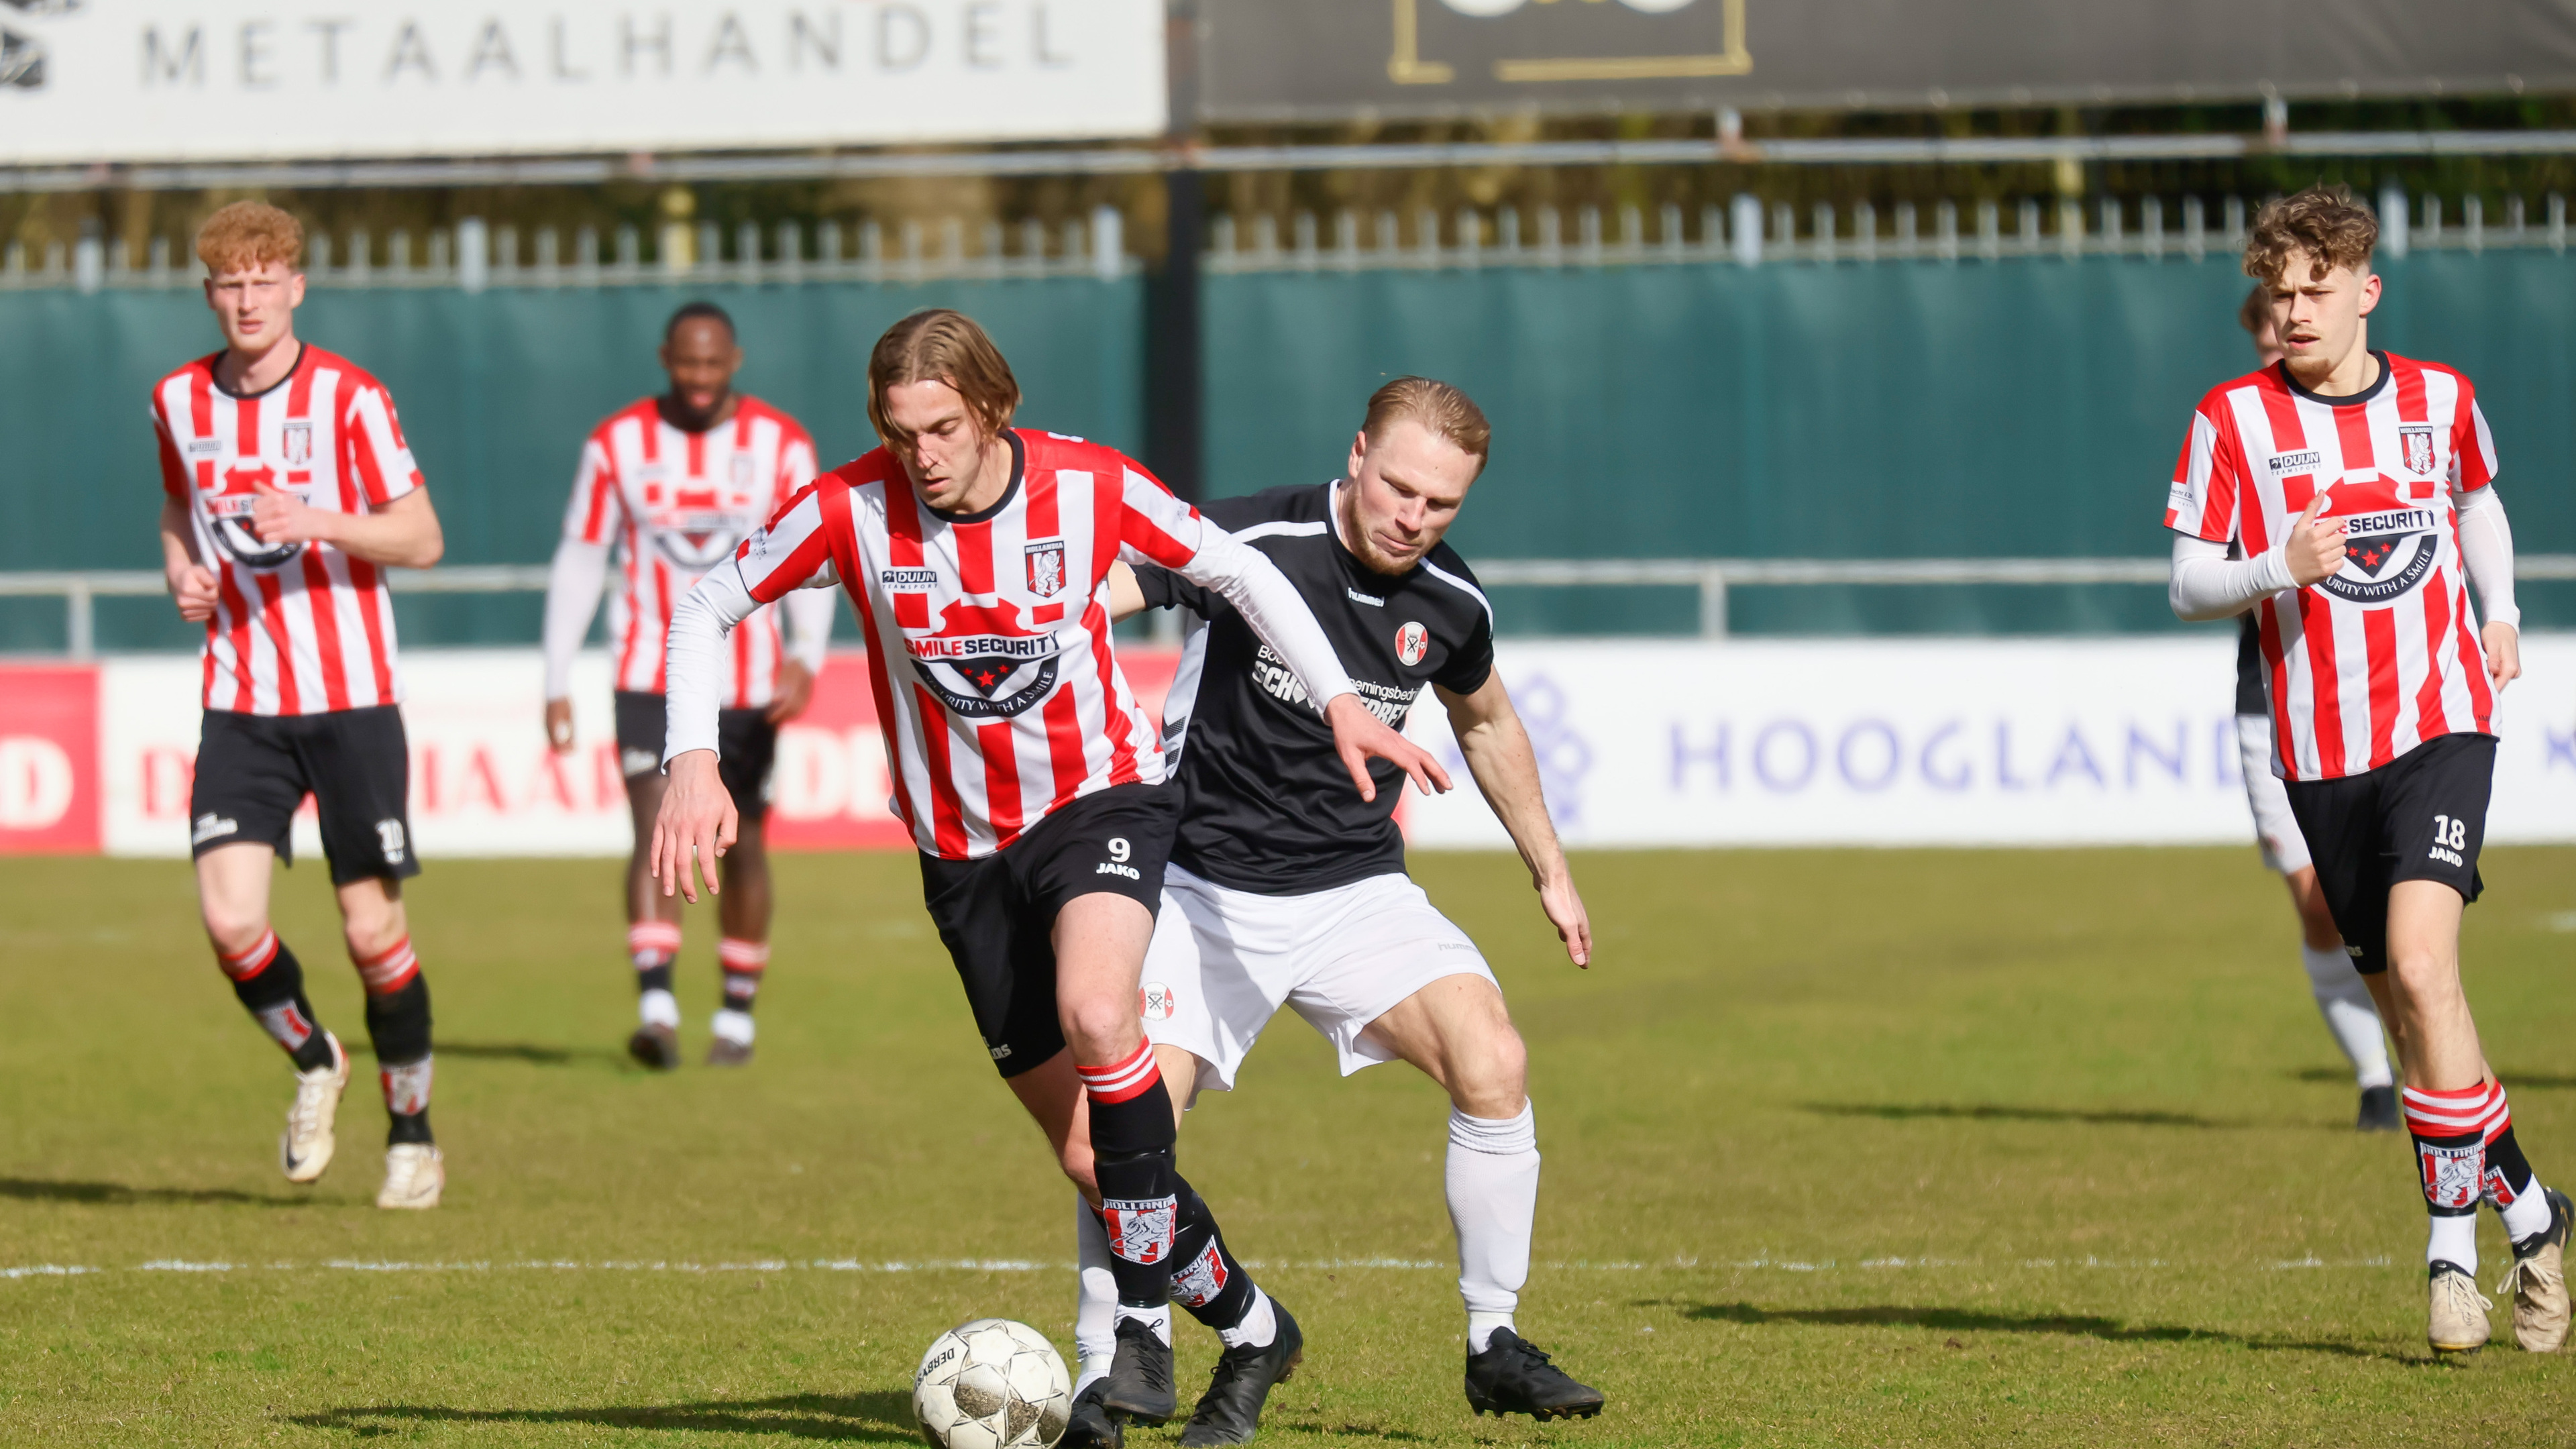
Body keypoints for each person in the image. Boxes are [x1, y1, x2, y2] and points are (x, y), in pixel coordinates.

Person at [651, 309, 1448, 1426]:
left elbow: (1238, 574)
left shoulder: (1091, 485)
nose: (919, 453)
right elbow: (704, 604)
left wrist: (1343, 701)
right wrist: (694, 761)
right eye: (898, 429)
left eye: (940, 426)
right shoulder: (850, 509)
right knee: (1091, 1152)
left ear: (989, 408)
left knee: (1097, 1012)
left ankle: (1135, 1332)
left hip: (1098, 802)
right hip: (958, 853)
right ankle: (1257, 1331)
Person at [1053, 378, 1603, 1448]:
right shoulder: (1254, 536)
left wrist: (1551, 869)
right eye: (1399, 487)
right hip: (1196, 887)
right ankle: (1105, 1373)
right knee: (1121, 1130)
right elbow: (1111, 590)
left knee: (1493, 1057)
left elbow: (1486, 724)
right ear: (1356, 455)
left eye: (1441, 504)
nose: (1414, 516)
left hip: (1354, 891)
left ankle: (1495, 1342)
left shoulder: (1452, 600)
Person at [2165, 185, 2567, 1354]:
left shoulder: (2440, 398)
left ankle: (2451, 1263)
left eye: (2315, 291)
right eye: (2278, 293)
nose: (2291, 311)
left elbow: (2479, 501)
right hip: (2321, 757)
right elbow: (2189, 583)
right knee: (2417, 1019)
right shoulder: (2230, 420)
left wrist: (2502, 611)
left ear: (2365, 292)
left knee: (2425, 968)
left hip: (2443, 725)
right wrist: (2272, 567)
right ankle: (2538, 1217)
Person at [152, 201, 449, 1209]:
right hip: (240, 700)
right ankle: (315, 1056)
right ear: (210, 294)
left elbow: (422, 538)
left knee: (372, 932)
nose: (246, 300)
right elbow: (176, 513)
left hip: (352, 700)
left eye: (263, 280)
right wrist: (183, 574)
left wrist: (317, 517)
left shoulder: (350, 399)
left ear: (295, 288)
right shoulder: (178, 400)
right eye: (228, 284)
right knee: (228, 918)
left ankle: (412, 1132)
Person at [541, 301, 833, 1069]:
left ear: (733, 361)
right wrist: (556, 676)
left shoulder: (781, 445)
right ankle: (659, 1007)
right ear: (666, 357)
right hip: (647, 674)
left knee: (745, 844)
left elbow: (813, 552)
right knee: (656, 829)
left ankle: (736, 1016)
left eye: (713, 365)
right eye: (687, 363)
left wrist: (807, 653)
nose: (700, 379)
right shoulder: (616, 445)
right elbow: (580, 556)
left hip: (749, 682)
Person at [2225, 284, 2399, 1132]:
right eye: (2266, 346)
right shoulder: (2240, 438)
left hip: (2379, 695)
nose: (2279, 356)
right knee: (2317, 899)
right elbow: (2203, 578)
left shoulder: (2365, 426)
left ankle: (2431, 1059)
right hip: (2274, 704)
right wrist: (2274, 561)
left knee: (2398, 907)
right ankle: (2376, 1076)